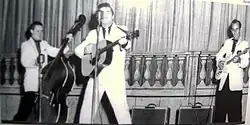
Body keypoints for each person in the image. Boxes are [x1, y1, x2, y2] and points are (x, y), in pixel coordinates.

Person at [74, 2, 132, 124]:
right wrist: (90, 54)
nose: (104, 14)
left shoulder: (122, 31)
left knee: (122, 113)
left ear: (113, 16)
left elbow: (128, 45)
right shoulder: (93, 34)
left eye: (107, 12)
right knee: (86, 113)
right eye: (101, 12)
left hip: (114, 78)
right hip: (95, 76)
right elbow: (77, 50)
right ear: (97, 17)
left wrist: (124, 43)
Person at [13, 21, 72, 121]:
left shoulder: (44, 44)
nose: (40, 33)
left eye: (41, 31)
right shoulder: (25, 45)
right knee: (25, 111)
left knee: (37, 114)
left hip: (44, 84)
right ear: (31, 31)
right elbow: (24, 61)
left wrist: (67, 42)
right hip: (31, 84)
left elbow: (57, 52)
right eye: (37, 31)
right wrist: (36, 62)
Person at [214, 19, 249, 123]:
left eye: (237, 29)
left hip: (235, 85)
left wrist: (239, 60)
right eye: (233, 30)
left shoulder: (244, 44)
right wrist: (220, 62)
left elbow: (245, 62)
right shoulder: (227, 42)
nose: (235, 32)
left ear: (240, 29)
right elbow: (218, 55)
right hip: (223, 82)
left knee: (234, 116)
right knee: (219, 114)